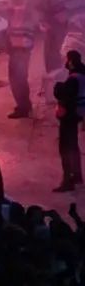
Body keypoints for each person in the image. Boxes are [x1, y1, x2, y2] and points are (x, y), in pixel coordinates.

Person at [0, 0, 35, 118]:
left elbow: (29, 38)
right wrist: (8, 3)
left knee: (19, 80)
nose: (18, 10)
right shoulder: (12, 14)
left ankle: (23, 108)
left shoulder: (29, 17)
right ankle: (25, 106)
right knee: (17, 80)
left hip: (22, 53)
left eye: (20, 6)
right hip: (15, 52)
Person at [53, 50, 85, 192]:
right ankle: (77, 176)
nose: (65, 62)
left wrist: (58, 86)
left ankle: (68, 181)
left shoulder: (73, 79)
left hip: (69, 117)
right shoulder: (82, 73)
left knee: (66, 148)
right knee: (73, 146)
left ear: (71, 61)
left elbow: (64, 95)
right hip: (78, 114)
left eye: (67, 59)